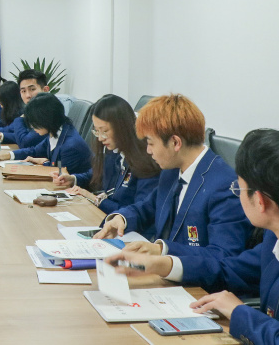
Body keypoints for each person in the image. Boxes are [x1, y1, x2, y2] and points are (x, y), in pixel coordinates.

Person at [105, 129, 279, 345]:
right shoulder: (272, 238)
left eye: (239, 188)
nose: (236, 193)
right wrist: (164, 264)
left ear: (260, 201)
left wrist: (238, 312)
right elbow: (228, 270)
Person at [94, 94, 251, 261]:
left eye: (151, 143)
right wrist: (122, 218)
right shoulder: (171, 171)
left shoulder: (224, 186)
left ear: (175, 143)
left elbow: (223, 256)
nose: (148, 150)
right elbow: (147, 207)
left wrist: (162, 250)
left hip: (192, 277)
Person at [53, 94, 161, 230]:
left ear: (123, 127)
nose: (100, 138)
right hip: (107, 219)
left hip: (129, 230)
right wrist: (74, 179)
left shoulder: (147, 160)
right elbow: (98, 173)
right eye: (97, 131)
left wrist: (94, 198)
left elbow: (139, 213)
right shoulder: (114, 149)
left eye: (104, 131)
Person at [0, 93, 92, 175]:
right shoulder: (57, 131)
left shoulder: (71, 146)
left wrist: (45, 163)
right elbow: (34, 151)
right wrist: (8, 155)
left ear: (46, 119)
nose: (32, 126)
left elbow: (61, 176)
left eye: (34, 122)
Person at [0, 68, 49, 149]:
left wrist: (20, 118)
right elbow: (12, 129)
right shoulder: (33, 110)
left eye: (32, 89)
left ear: (45, 90)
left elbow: (25, 142)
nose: (28, 95)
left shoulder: (48, 114)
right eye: (23, 91)